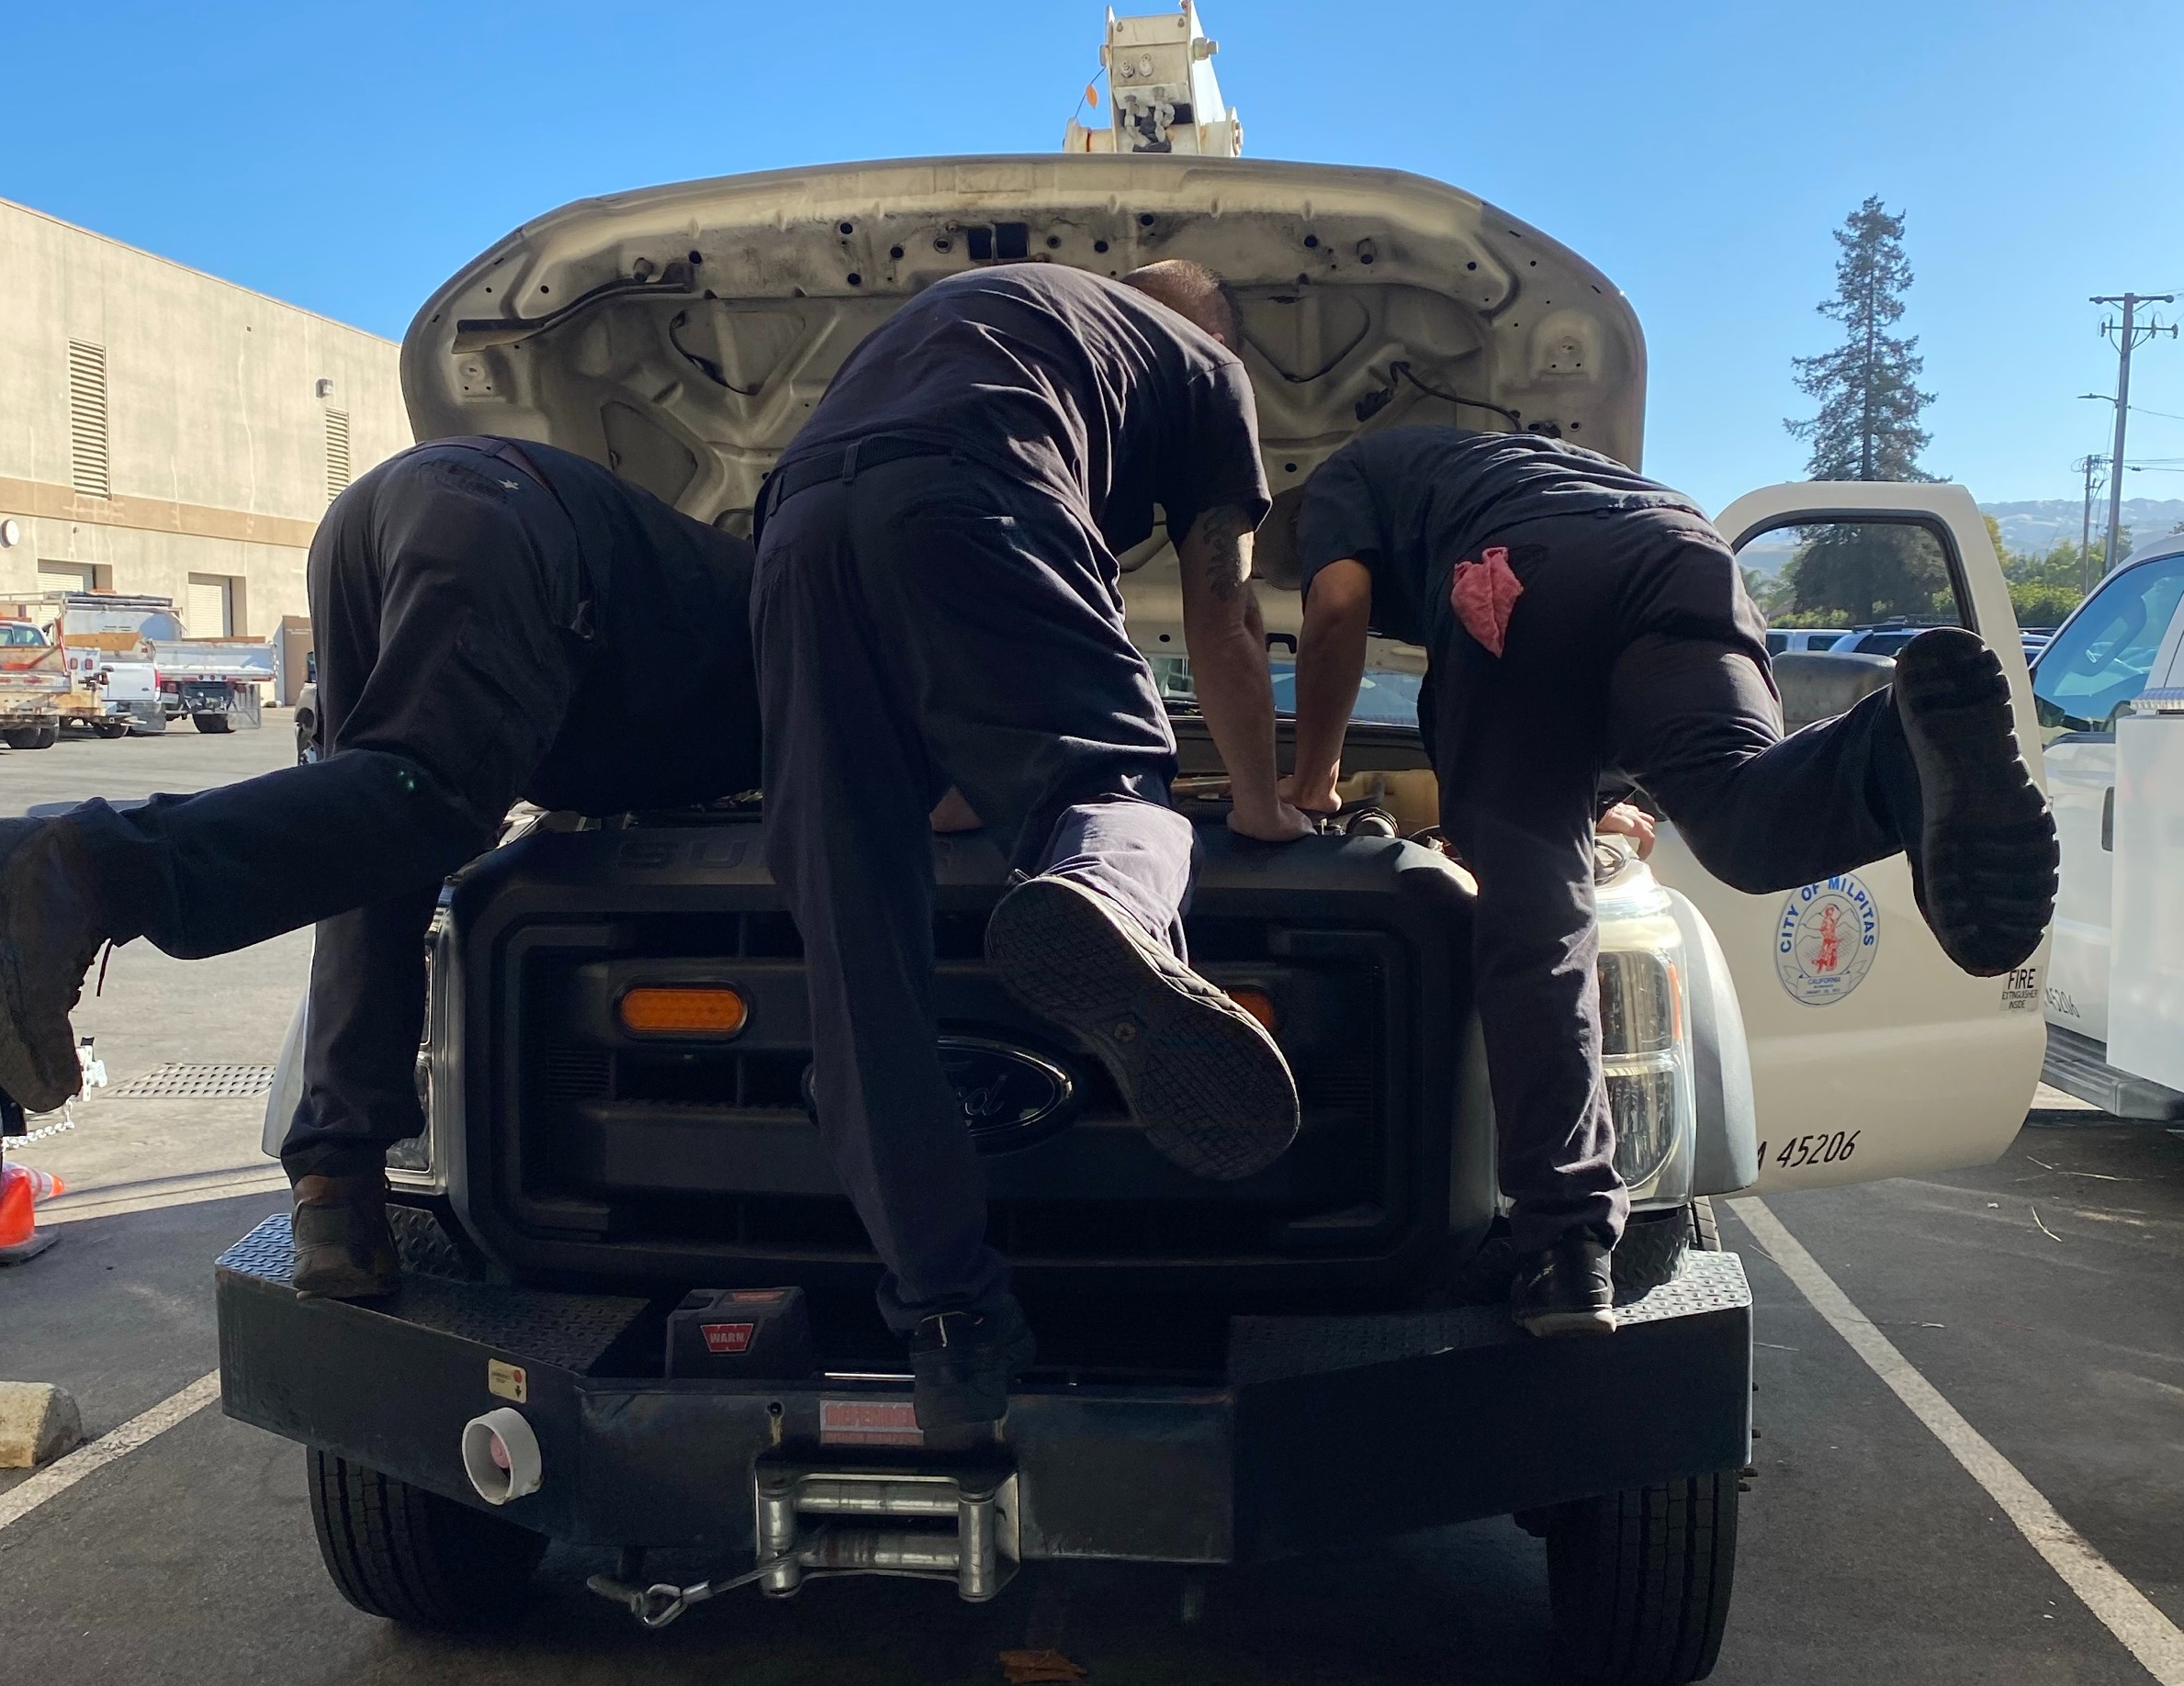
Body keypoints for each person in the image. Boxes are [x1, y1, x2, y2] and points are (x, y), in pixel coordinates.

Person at [1274, 424, 2060, 1335]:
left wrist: (1312, 782)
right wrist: (1596, 797)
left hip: (1514, 581)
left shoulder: (1338, 482)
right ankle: (1886, 750)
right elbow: (1589, 651)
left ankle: (1565, 1247)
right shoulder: (1507, 464)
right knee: (1735, 815)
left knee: (1539, 931)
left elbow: (1335, 609)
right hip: (1684, 553)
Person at [0, 437, 760, 1297]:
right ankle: (75, 868)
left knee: (382, 835)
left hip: (394, 513)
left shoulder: (735, 600)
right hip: (507, 522)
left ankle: (338, 1190)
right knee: (427, 799)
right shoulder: (814, 638)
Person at [752, 259, 1310, 1435]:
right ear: (1216, 330)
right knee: (1114, 789)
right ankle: (1105, 894)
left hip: (794, 527)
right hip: (980, 493)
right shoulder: (1207, 366)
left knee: (855, 954)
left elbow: (936, 656)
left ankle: (951, 1328)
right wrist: (1262, 805)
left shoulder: (988, 315)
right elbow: (1223, 611)